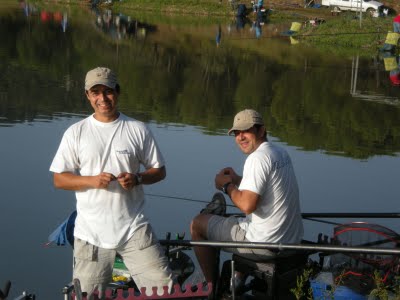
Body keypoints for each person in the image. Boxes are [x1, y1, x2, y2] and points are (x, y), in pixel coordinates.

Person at [50, 67, 173, 298]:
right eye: (96, 92)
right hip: (90, 235)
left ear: (117, 92)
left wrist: (138, 178)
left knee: (165, 292)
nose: (102, 98)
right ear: (87, 95)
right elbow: (59, 179)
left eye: (108, 91)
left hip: (134, 229)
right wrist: (92, 180)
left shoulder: (138, 129)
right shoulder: (76, 132)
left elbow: (159, 171)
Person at [190, 109, 304, 284]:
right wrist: (237, 179)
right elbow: (263, 189)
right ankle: (238, 279)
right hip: (291, 242)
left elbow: (247, 205)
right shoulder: (280, 152)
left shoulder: (257, 159)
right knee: (237, 221)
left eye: (246, 131)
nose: (240, 137)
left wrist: (226, 185)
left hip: (264, 245)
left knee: (197, 224)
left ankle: (211, 288)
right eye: (237, 133)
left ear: (261, 130)